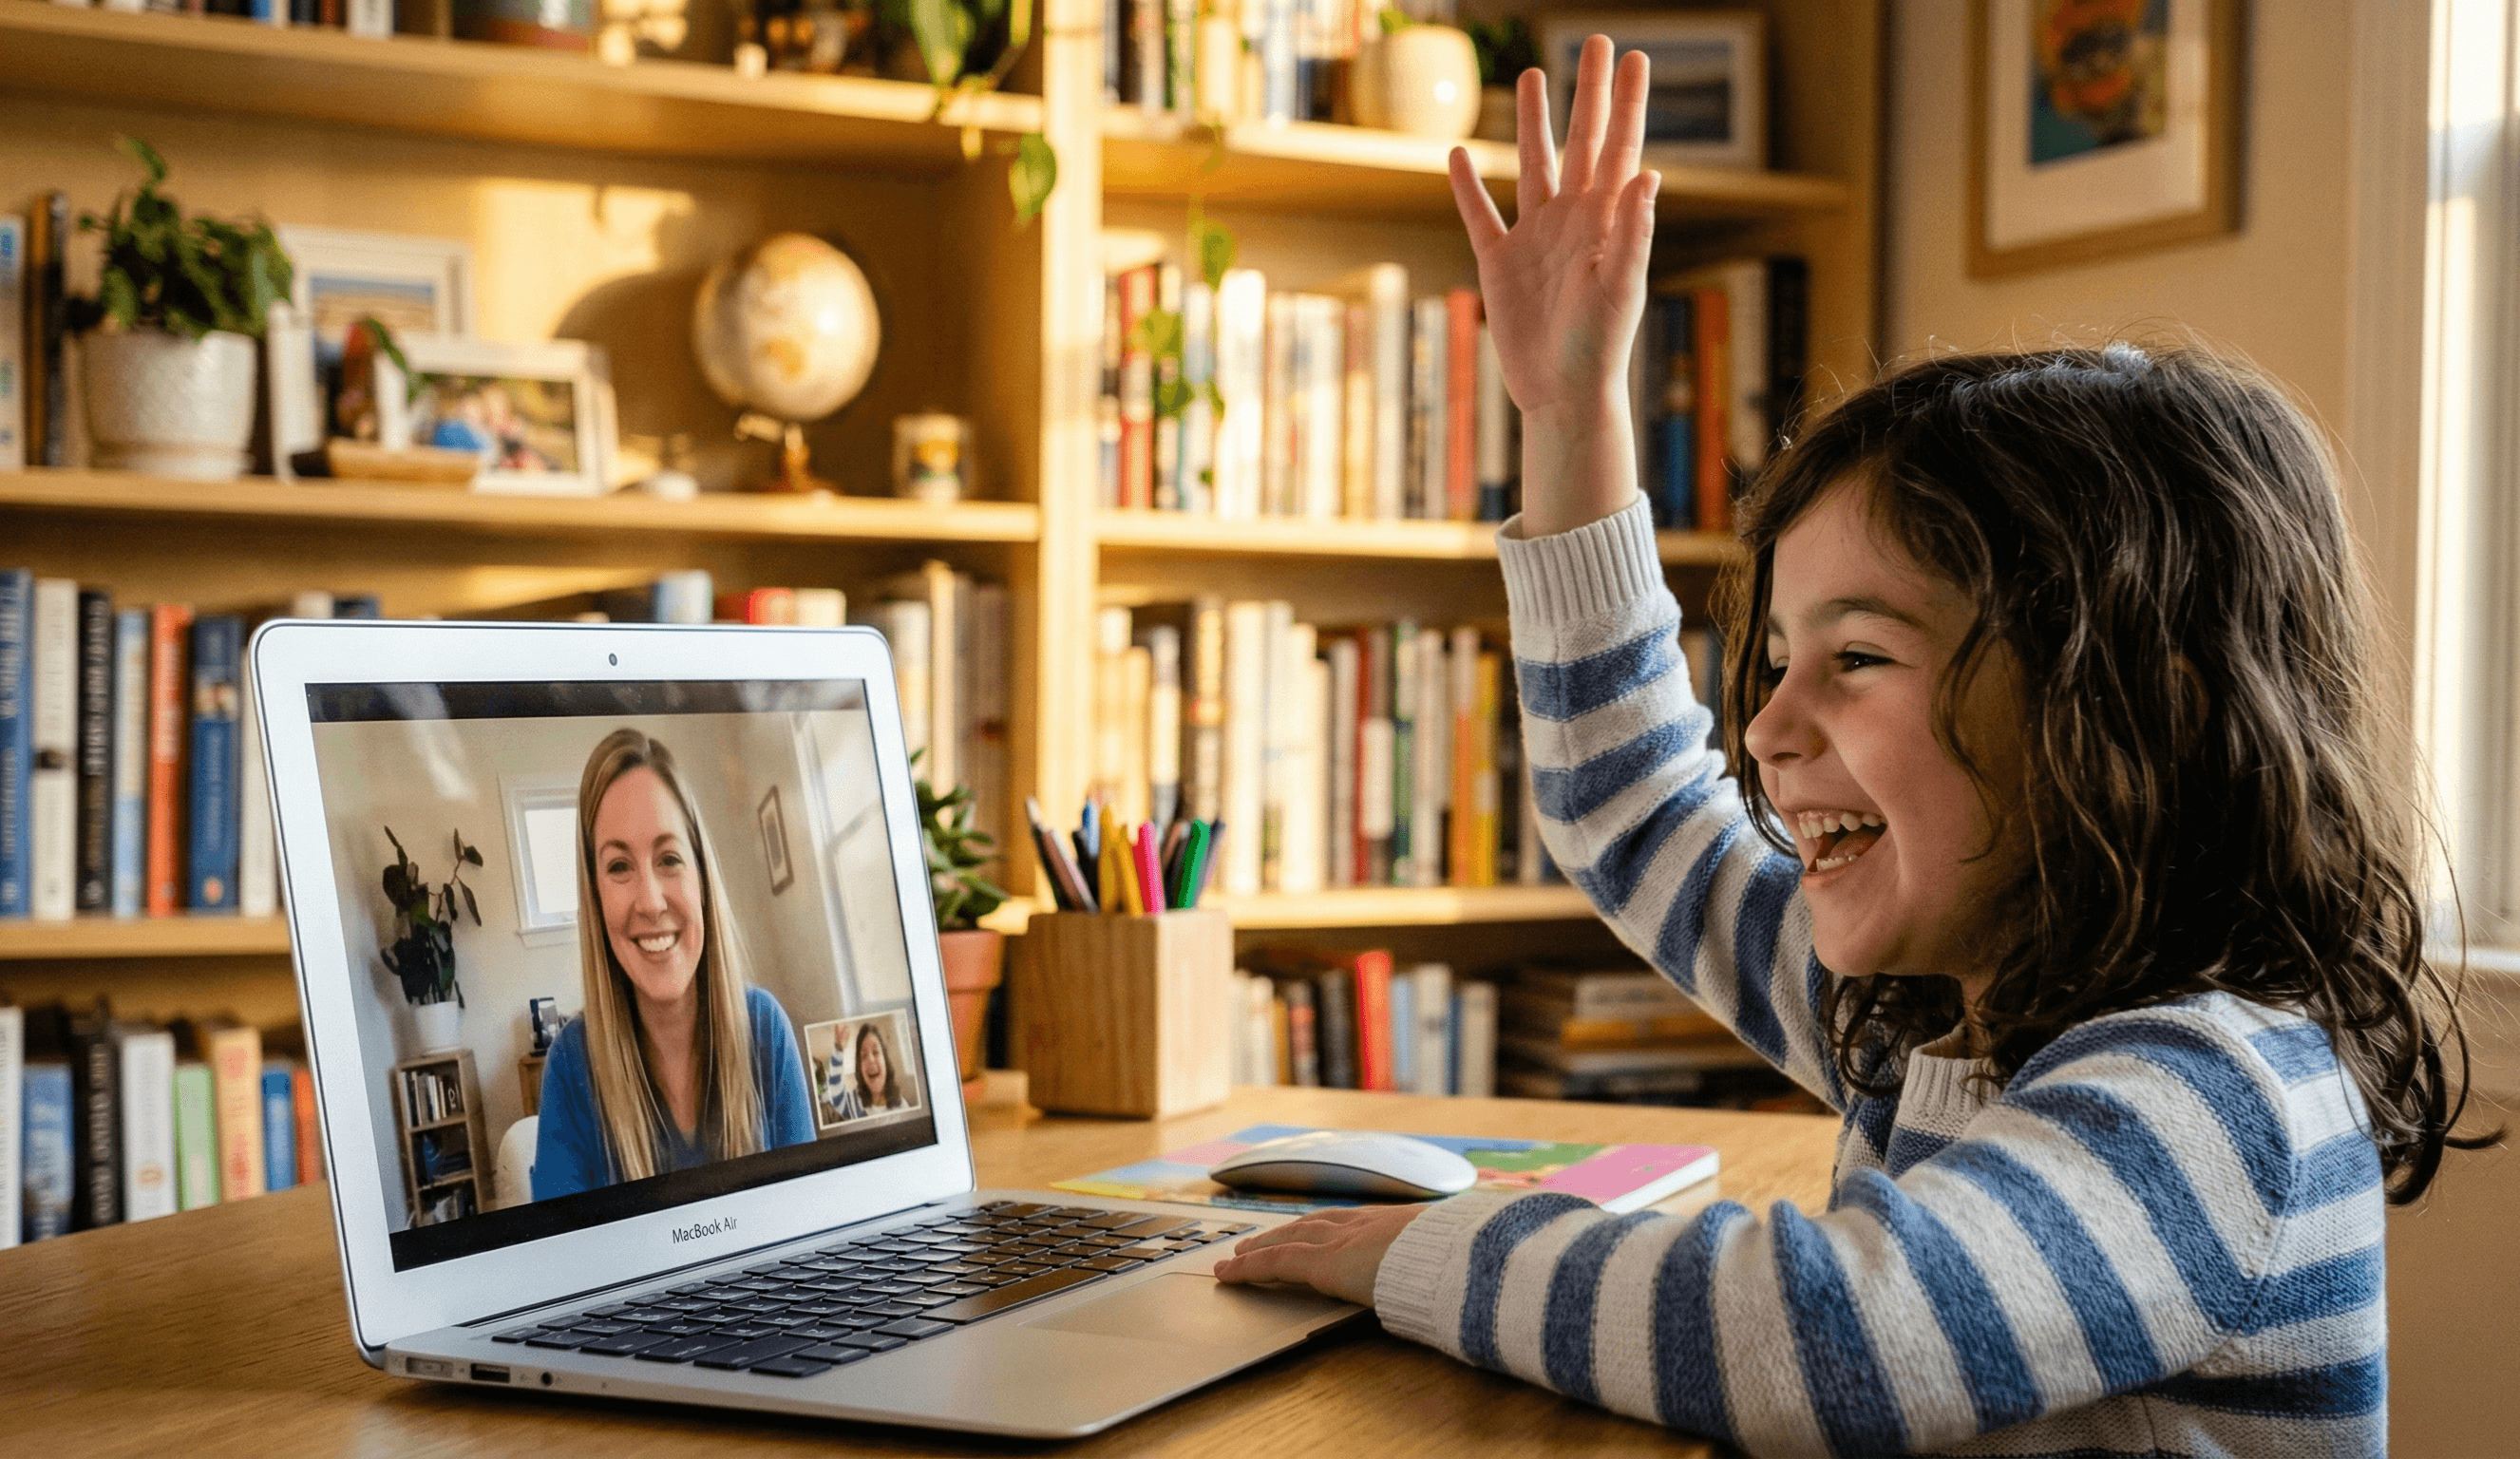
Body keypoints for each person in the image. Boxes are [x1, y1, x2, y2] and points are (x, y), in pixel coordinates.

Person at [1213, 38, 2491, 1456]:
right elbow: (1634, 809)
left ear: (2132, 714)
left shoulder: (2211, 1094)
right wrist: (1567, 418)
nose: (1763, 727)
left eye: (1856, 660)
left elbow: (1818, 1340)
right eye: (1772, 662)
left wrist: (1432, 1249)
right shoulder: (1934, 1015)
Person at [535, 729, 816, 1199]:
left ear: (702, 876)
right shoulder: (568, 1067)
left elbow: (812, 1226)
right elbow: (563, 1268)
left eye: (668, 858)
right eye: (619, 866)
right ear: (596, 896)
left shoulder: (765, 1029)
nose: (650, 901)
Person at [823, 1020, 909, 1123]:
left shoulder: (902, 1106)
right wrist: (838, 1048)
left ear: (885, 1061)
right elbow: (836, 1096)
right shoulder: (854, 1103)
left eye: (876, 1052)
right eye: (863, 1056)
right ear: (860, 1068)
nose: (871, 1060)